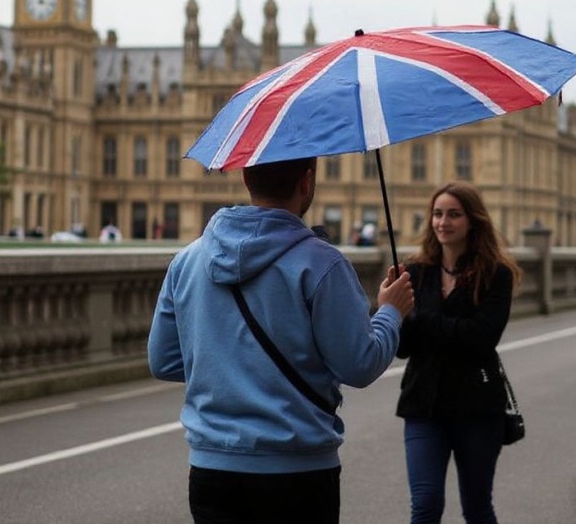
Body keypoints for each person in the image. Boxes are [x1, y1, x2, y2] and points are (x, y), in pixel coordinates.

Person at [148, 156, 415, 524]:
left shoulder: (186, 260)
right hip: (297, 470)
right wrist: (390, 312)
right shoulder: (322, 264)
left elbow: (163, 360)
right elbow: (360, 364)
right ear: (306, 182)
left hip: (213, 469)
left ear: (245, 177)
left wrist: (228, 368)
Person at [395, 181, 521, 524]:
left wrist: (422, 320)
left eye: (453, 214)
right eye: (437, 214)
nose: (443, 222)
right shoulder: (415, 273)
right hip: (424, 406)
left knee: (477, 508)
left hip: (477, 409)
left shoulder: (496, 274)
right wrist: (395, 312)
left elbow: (482, 338)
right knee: (425, 505)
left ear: (472, 220)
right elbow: (404, 349)